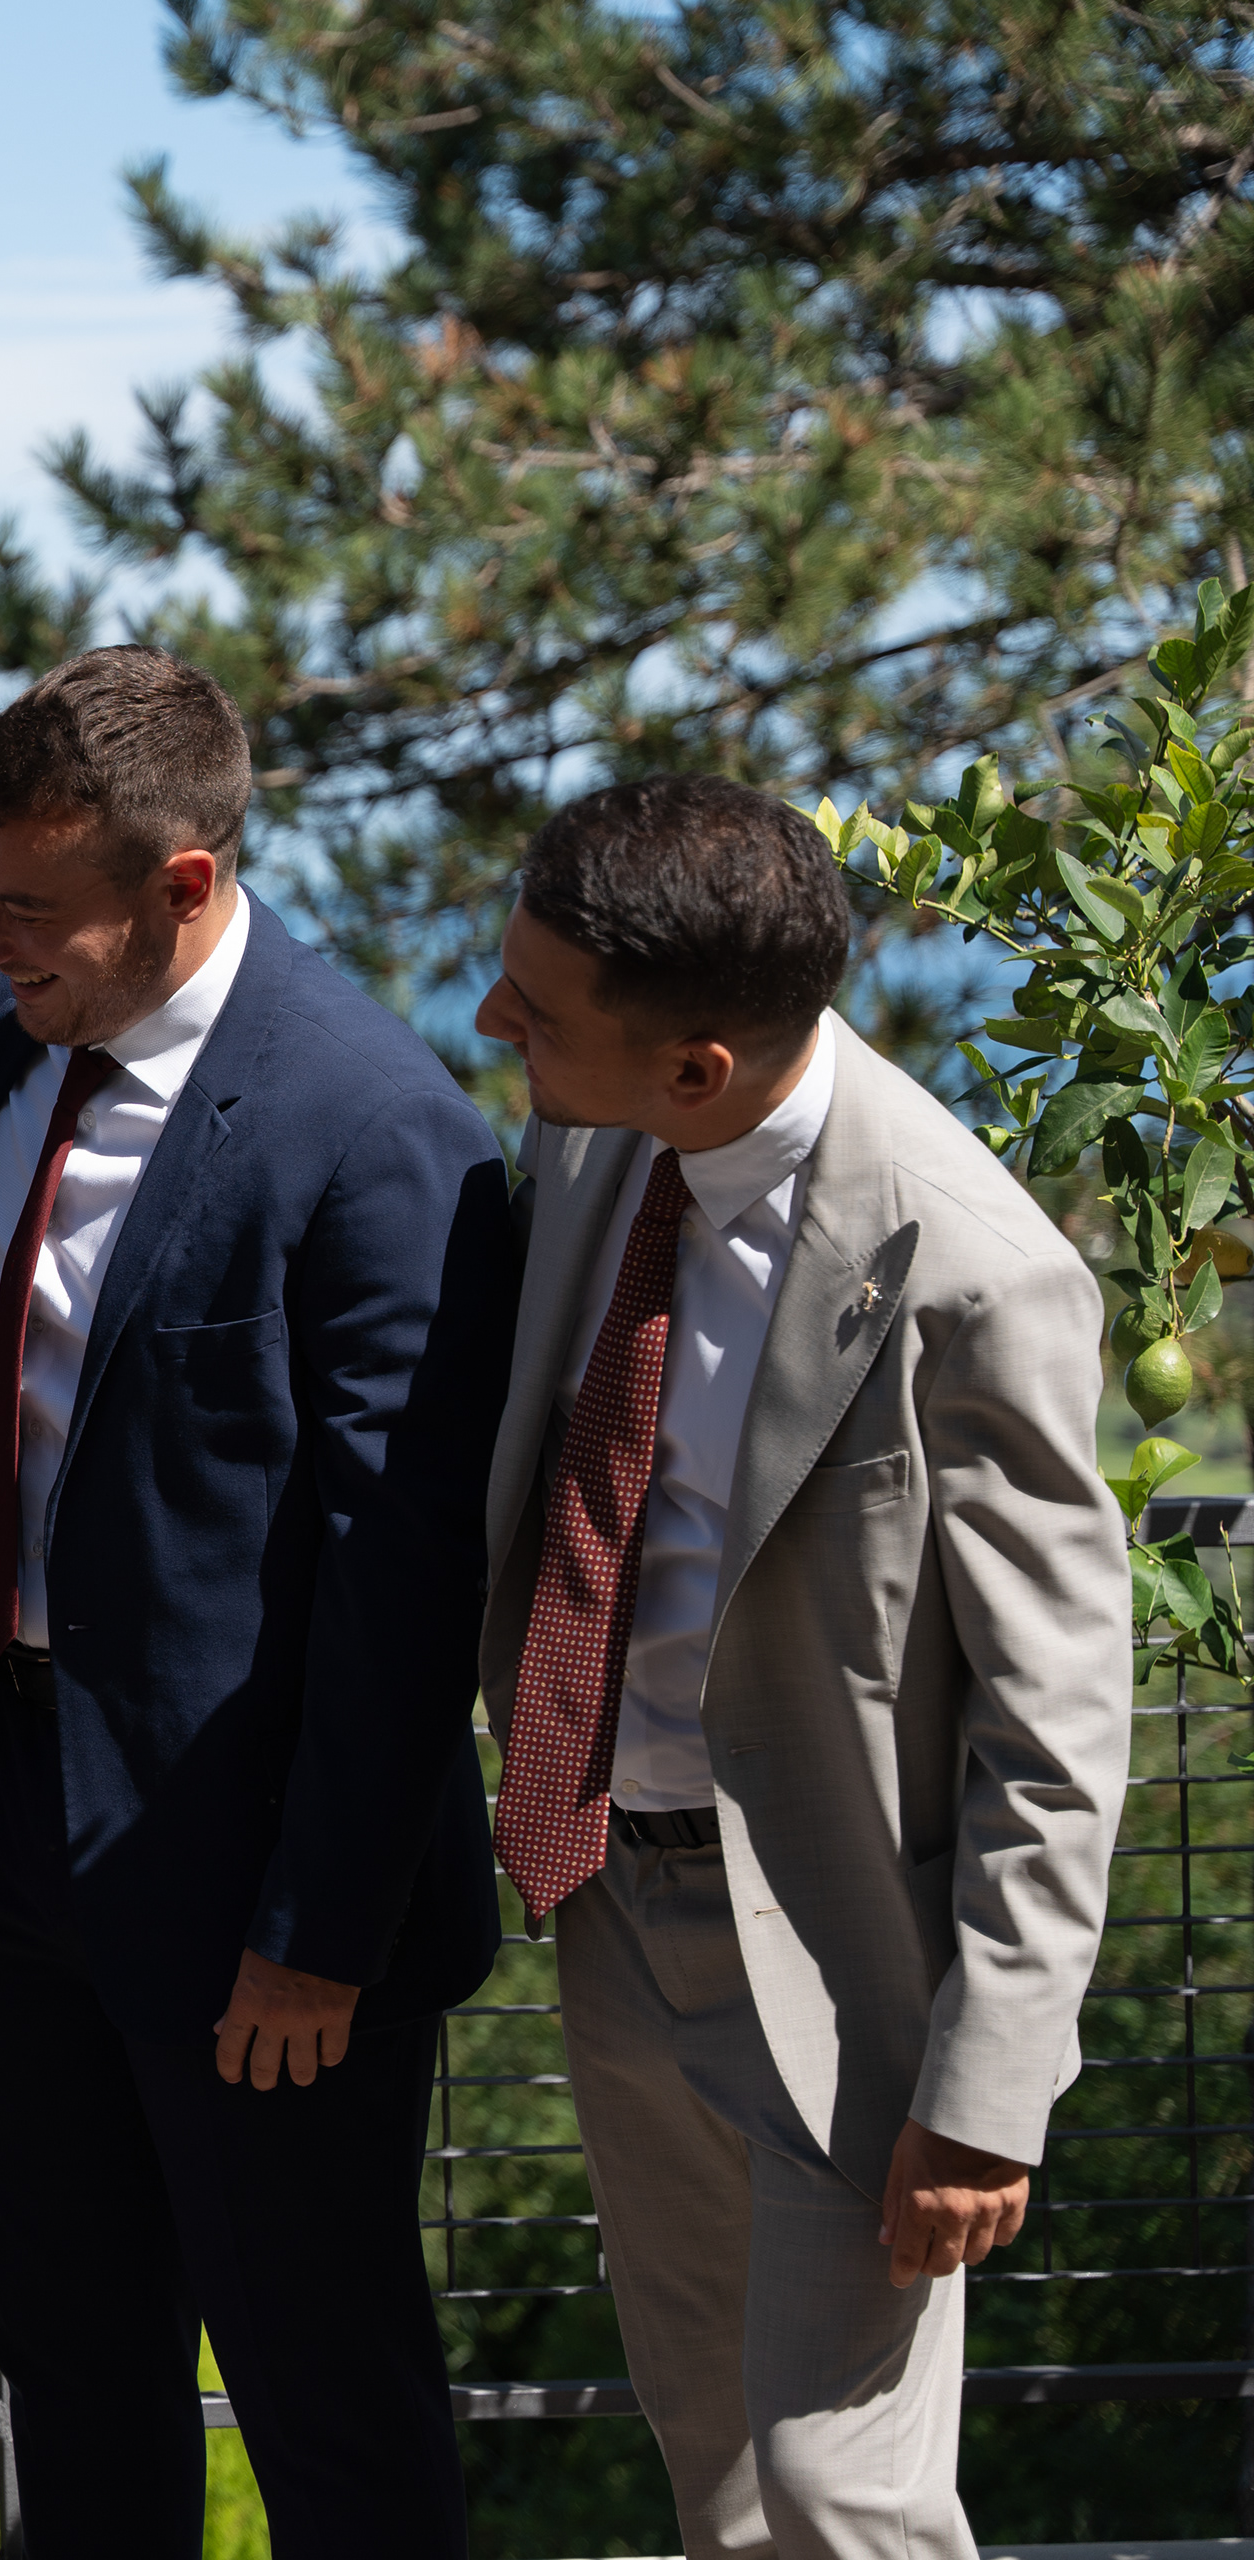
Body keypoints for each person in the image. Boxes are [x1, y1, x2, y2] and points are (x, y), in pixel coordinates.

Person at [0, 647, 512, 2555]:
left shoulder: (375, 1127)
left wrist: (317, 1934)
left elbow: (401, 1577)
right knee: (71, 2380)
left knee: (327, 2398)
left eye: (26, 907)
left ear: (185, 883)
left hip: (253, 1882)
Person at [472, 777, 1127, 2559]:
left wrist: (988, 2095)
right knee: (726, 2487)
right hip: (612, 1902)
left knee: (847, 2497)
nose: (495, 1020)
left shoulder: (974, 1273)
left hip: (848, 1966)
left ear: (698, 1068)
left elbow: (1055, 1724)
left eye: (536, 1009)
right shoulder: (600, 1140)